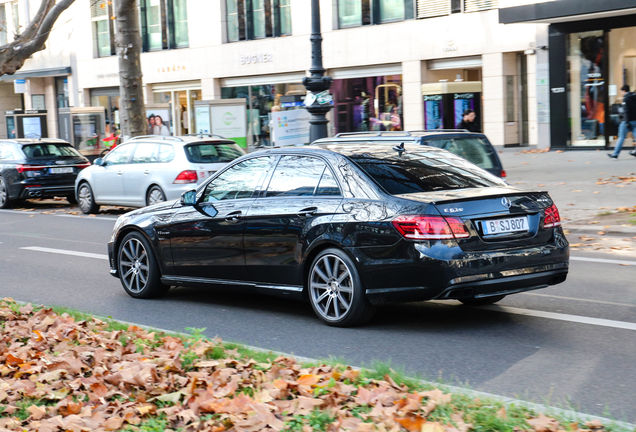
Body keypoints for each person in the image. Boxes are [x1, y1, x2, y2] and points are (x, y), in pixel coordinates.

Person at [608, 85, 636, 159]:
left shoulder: (626, 98)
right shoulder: (634, 97)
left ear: (624, 91)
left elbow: (626, 111)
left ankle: (615, 153)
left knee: (621, 137)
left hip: (627, 121)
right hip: (635, 120)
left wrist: (626, 122)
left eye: (621, 91)